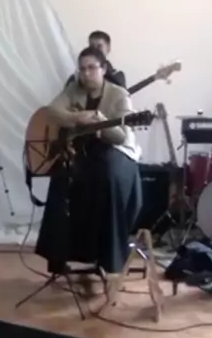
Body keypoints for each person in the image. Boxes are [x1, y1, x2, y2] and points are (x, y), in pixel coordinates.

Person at [35, 46, 142, 280]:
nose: (86, 74)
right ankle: (58, 255)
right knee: (61, 176)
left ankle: (108, 258)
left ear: (103, 69)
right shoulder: (74, 89)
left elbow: (121, 137)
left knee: (108, 176)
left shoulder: (119, 95)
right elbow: (52, 111)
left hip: (118, 152)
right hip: (85, 150)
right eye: (82, 69)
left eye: (91, 68)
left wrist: (101, 123)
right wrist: (77, 117)